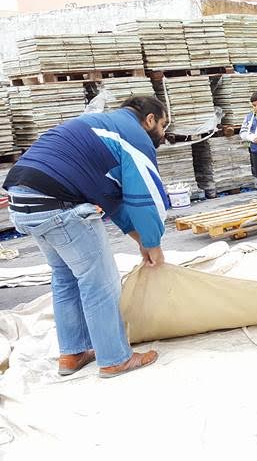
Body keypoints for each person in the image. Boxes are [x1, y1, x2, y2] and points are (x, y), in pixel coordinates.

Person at [3, 96, 169, 378]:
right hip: (58, 204)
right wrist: (153, 243)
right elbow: (144, 197)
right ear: (150, 120)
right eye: (163, 125)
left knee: (65, 277)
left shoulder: (98, 125)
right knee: (100, 282)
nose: (163, 134)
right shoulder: (134, 135)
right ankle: (115, 358)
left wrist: (140, 240)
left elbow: (112, 199)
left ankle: (73, 352)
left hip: (22, 200)